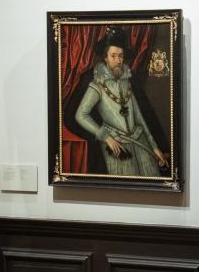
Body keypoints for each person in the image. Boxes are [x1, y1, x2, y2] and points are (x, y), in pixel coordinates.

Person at [71, 30, 168, 177]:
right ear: (105, 58)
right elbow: (81, 115)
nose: (118, 60)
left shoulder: (127, 81)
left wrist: (154, 148)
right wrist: (105, 137)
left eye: (121, 56)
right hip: (116, 145)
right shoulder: (97, 83)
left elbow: (139, 118)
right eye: (113, 56)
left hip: (140, 142)